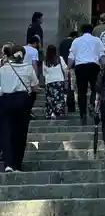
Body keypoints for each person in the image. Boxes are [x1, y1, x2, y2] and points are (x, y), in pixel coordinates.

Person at [0, 44, 39, 172]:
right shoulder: (28, 68)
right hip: (22, 101)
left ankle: (8, 163)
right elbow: (34, 86)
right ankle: (17, 163)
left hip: (6, 100)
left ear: (10, 55)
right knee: (21, 133)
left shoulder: (3, 69)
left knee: (6, 132)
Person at [68, 24, 105, 125]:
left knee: (81, 91)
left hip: (80, 67)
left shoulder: (76, 41)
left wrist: (68, 67)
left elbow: (71, 56)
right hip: (94, 66)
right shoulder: (97, 40)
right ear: (92, 31)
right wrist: (104, 67)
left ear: (81, 31)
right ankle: (92, 103)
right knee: (95, 88)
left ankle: (82, 113)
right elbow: (102, 55)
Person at [43, 44, 68, 120]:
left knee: (50, 98)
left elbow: (44, 73)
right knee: (59, 97)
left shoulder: (45, 61)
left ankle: (51, 112)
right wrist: (66, 78)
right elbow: (65, 69)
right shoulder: (59, 59)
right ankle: (58, 112)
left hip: (49, 81)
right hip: (59, 80)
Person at [24, 35, 40, 118]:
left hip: (22, 73)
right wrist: (36, 75)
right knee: (33, 93)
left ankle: (25, 110)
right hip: (30, 73)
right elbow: (34, 63)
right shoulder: (34, 51)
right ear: (35, 43)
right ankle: (29, 110)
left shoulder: (22, 48)